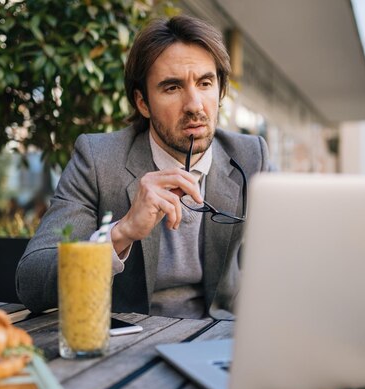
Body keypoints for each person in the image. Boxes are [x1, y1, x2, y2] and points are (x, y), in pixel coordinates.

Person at [16, 15, 273, 319]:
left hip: (220, 337)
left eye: (205, 83)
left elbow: (281, 259)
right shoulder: (98, 159)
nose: (194, 105)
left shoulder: (249, 156)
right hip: (129, 342)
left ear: (219, 91)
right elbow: (31, 281)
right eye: (172, 88)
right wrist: (120, 233)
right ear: (142, 103)